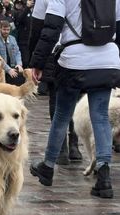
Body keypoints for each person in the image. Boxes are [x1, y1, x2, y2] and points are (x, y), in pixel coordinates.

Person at [29, 0, 120, 199]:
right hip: (108, 58)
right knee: (101, 116)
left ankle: (48, 166)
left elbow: (51, 27)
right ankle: (104, 175)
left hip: (74, 59)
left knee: (62, 115)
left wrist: (37, 62)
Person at [29, 0, 82, 165]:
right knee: (77, 99)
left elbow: (37, 28)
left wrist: (35, 60)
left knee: (56, 102)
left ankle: (62, 149)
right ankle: (74, 146)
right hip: (80, 49)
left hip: (55, 51)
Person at [0, 20, 24, 85]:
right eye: (4, 29)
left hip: (11, 65)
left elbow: (17, 52)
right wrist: (9, 70)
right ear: (0, 29)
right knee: (14, 80)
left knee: (22, 77)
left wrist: (19, 64)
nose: (6, 32)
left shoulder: (12, 39)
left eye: (8, 30)